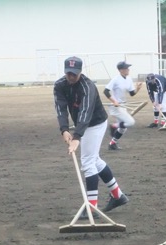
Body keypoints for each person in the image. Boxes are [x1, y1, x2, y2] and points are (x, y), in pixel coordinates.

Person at [54, 56, 129, 215]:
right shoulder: (60, 85)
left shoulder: (88, 87)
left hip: (95, 123)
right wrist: (64, 129)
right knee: (94, 159)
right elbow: (60, 109)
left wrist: (76, 138)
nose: (71, 77)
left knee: (87, 162)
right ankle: (117, 195)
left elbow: (85, 113)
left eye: (74, 74)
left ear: (80, 72)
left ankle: (91, 207)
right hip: (82, 124)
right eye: (68, 73)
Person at [103, 61, 143, 150]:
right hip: (115, 106)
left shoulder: (128, 79)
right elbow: (106, 91)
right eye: (126, 68)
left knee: (123, 129)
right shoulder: (115, 79)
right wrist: (114, 101)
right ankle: (114, 126)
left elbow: (132, 93)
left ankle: (112, 143)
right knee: (130, 122)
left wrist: (138, 89)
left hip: (123, 105)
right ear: (121, 70)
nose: (128, 69)